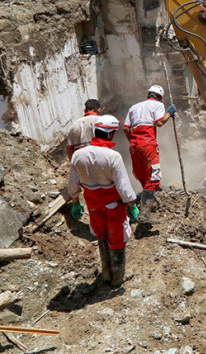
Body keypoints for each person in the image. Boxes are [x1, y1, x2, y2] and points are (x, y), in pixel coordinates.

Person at [67, 115, 138, 287]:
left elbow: (73, 183)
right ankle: (117, 278)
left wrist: (75, 201)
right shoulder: (112, 156)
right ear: (111, 134)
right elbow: (123, 186)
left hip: (93, 205)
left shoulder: (78, 155)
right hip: (113, 205)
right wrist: (132, 205)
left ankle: (106, 274)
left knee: (101, 235)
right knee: (117, 238)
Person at [123, 86, 177, 210]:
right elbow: (159, 123)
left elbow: (126, 128)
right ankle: (146, 211)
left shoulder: (134, 107)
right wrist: (169, 113)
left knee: (141, 173)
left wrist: (132, 141)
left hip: (134, 146)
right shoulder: (157, 105)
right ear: (159, 97)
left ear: (148, 94)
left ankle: (148, 198)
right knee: (154, 177)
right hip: (147, 144)